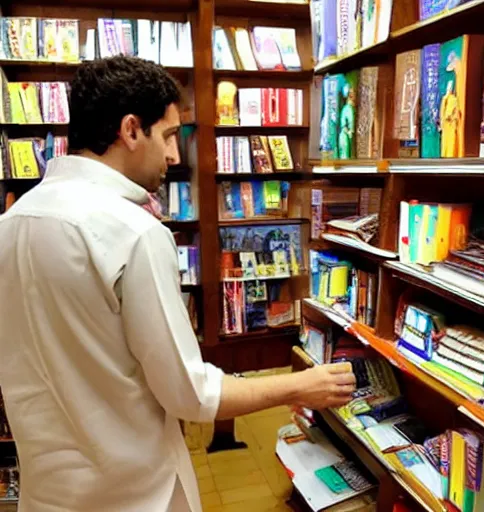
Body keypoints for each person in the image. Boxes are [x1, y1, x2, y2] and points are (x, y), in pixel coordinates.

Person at [0, 55, 356, 512]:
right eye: (168, 135)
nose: (174, 155)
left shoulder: (12, 223)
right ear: (130, 130)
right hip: (137, 494)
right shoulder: (134, 232)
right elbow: (191, 394)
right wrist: (300, 386)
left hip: (48, 495)